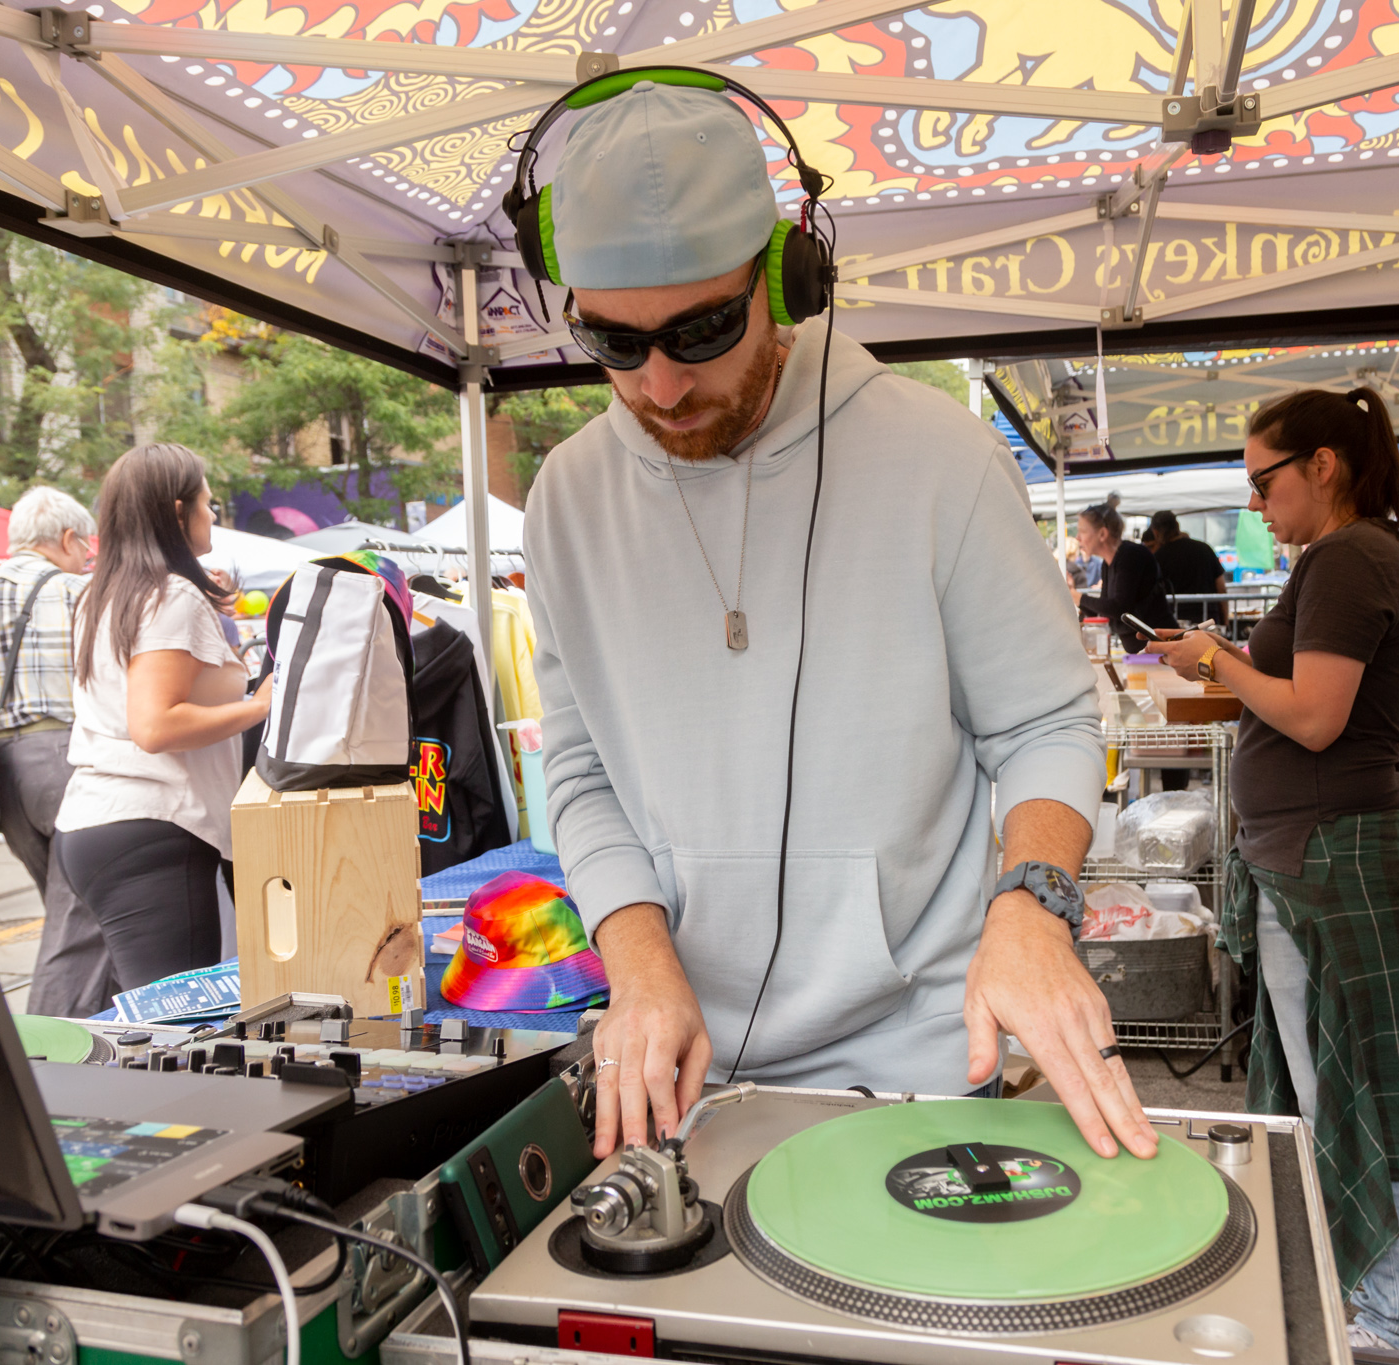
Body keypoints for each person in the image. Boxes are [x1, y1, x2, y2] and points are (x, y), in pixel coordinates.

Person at [520, 80, 1153, 1165]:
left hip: (919, 1060)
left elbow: (1045, 723)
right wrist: (637, 962)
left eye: (702, 329)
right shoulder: (564, 499)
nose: (660, 385)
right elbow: (578, 770)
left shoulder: (938, 457)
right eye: (614, 344)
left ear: (785, 275)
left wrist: (1030, 907)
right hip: (681, 1062)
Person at [1147, 387, 1399, 1351]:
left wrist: (1220, 661)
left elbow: (1314, 715)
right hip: (1315, 854)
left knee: (1351, 1081)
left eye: (1264, 482)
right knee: (1337, 1077)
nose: (1259, 504)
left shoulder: (1356, 554)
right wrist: (1221, 659)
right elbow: (1308, 699)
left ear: (1323, 465)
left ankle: (1393, 1313)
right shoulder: (1344, 554)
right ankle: (1369, 1297)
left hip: (1334, 855)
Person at [55, 445, 268, 992]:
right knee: (178, 1026)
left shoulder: (104, 594)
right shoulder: (169, 595)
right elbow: (156, 726)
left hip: (110, 824)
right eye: (208, 502)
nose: (214, 514)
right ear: (178, 513)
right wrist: (260, 705)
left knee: (154, 1019)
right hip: (154, 825)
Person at [0, 487, 111, 1016]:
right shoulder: (79, 593)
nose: (87, 558)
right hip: (68, 758)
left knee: (68, 905)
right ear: (67, 538)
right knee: (80, 912)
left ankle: (116, 1023)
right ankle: (50, 1043)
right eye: (85, 547)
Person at [1075, 503, 1176, 652]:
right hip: (1142, 649)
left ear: (1102, 534)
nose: (1078, 538)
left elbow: (1120, 607)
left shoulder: (1131, 555)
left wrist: (1079, 598)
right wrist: (1078, 601)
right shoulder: (1108, 563)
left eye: (1082, 532)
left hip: (1161, 646)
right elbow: (1106, 612)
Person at [1147, 509, 1229, 626]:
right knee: (1211, 646)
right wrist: (1225, 622)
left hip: (1176, 623)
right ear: (1177, 526)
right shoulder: (1204, 548)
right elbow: (1221, 588)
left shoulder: (1158, 557)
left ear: (1155, 532)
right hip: (1208, 620)